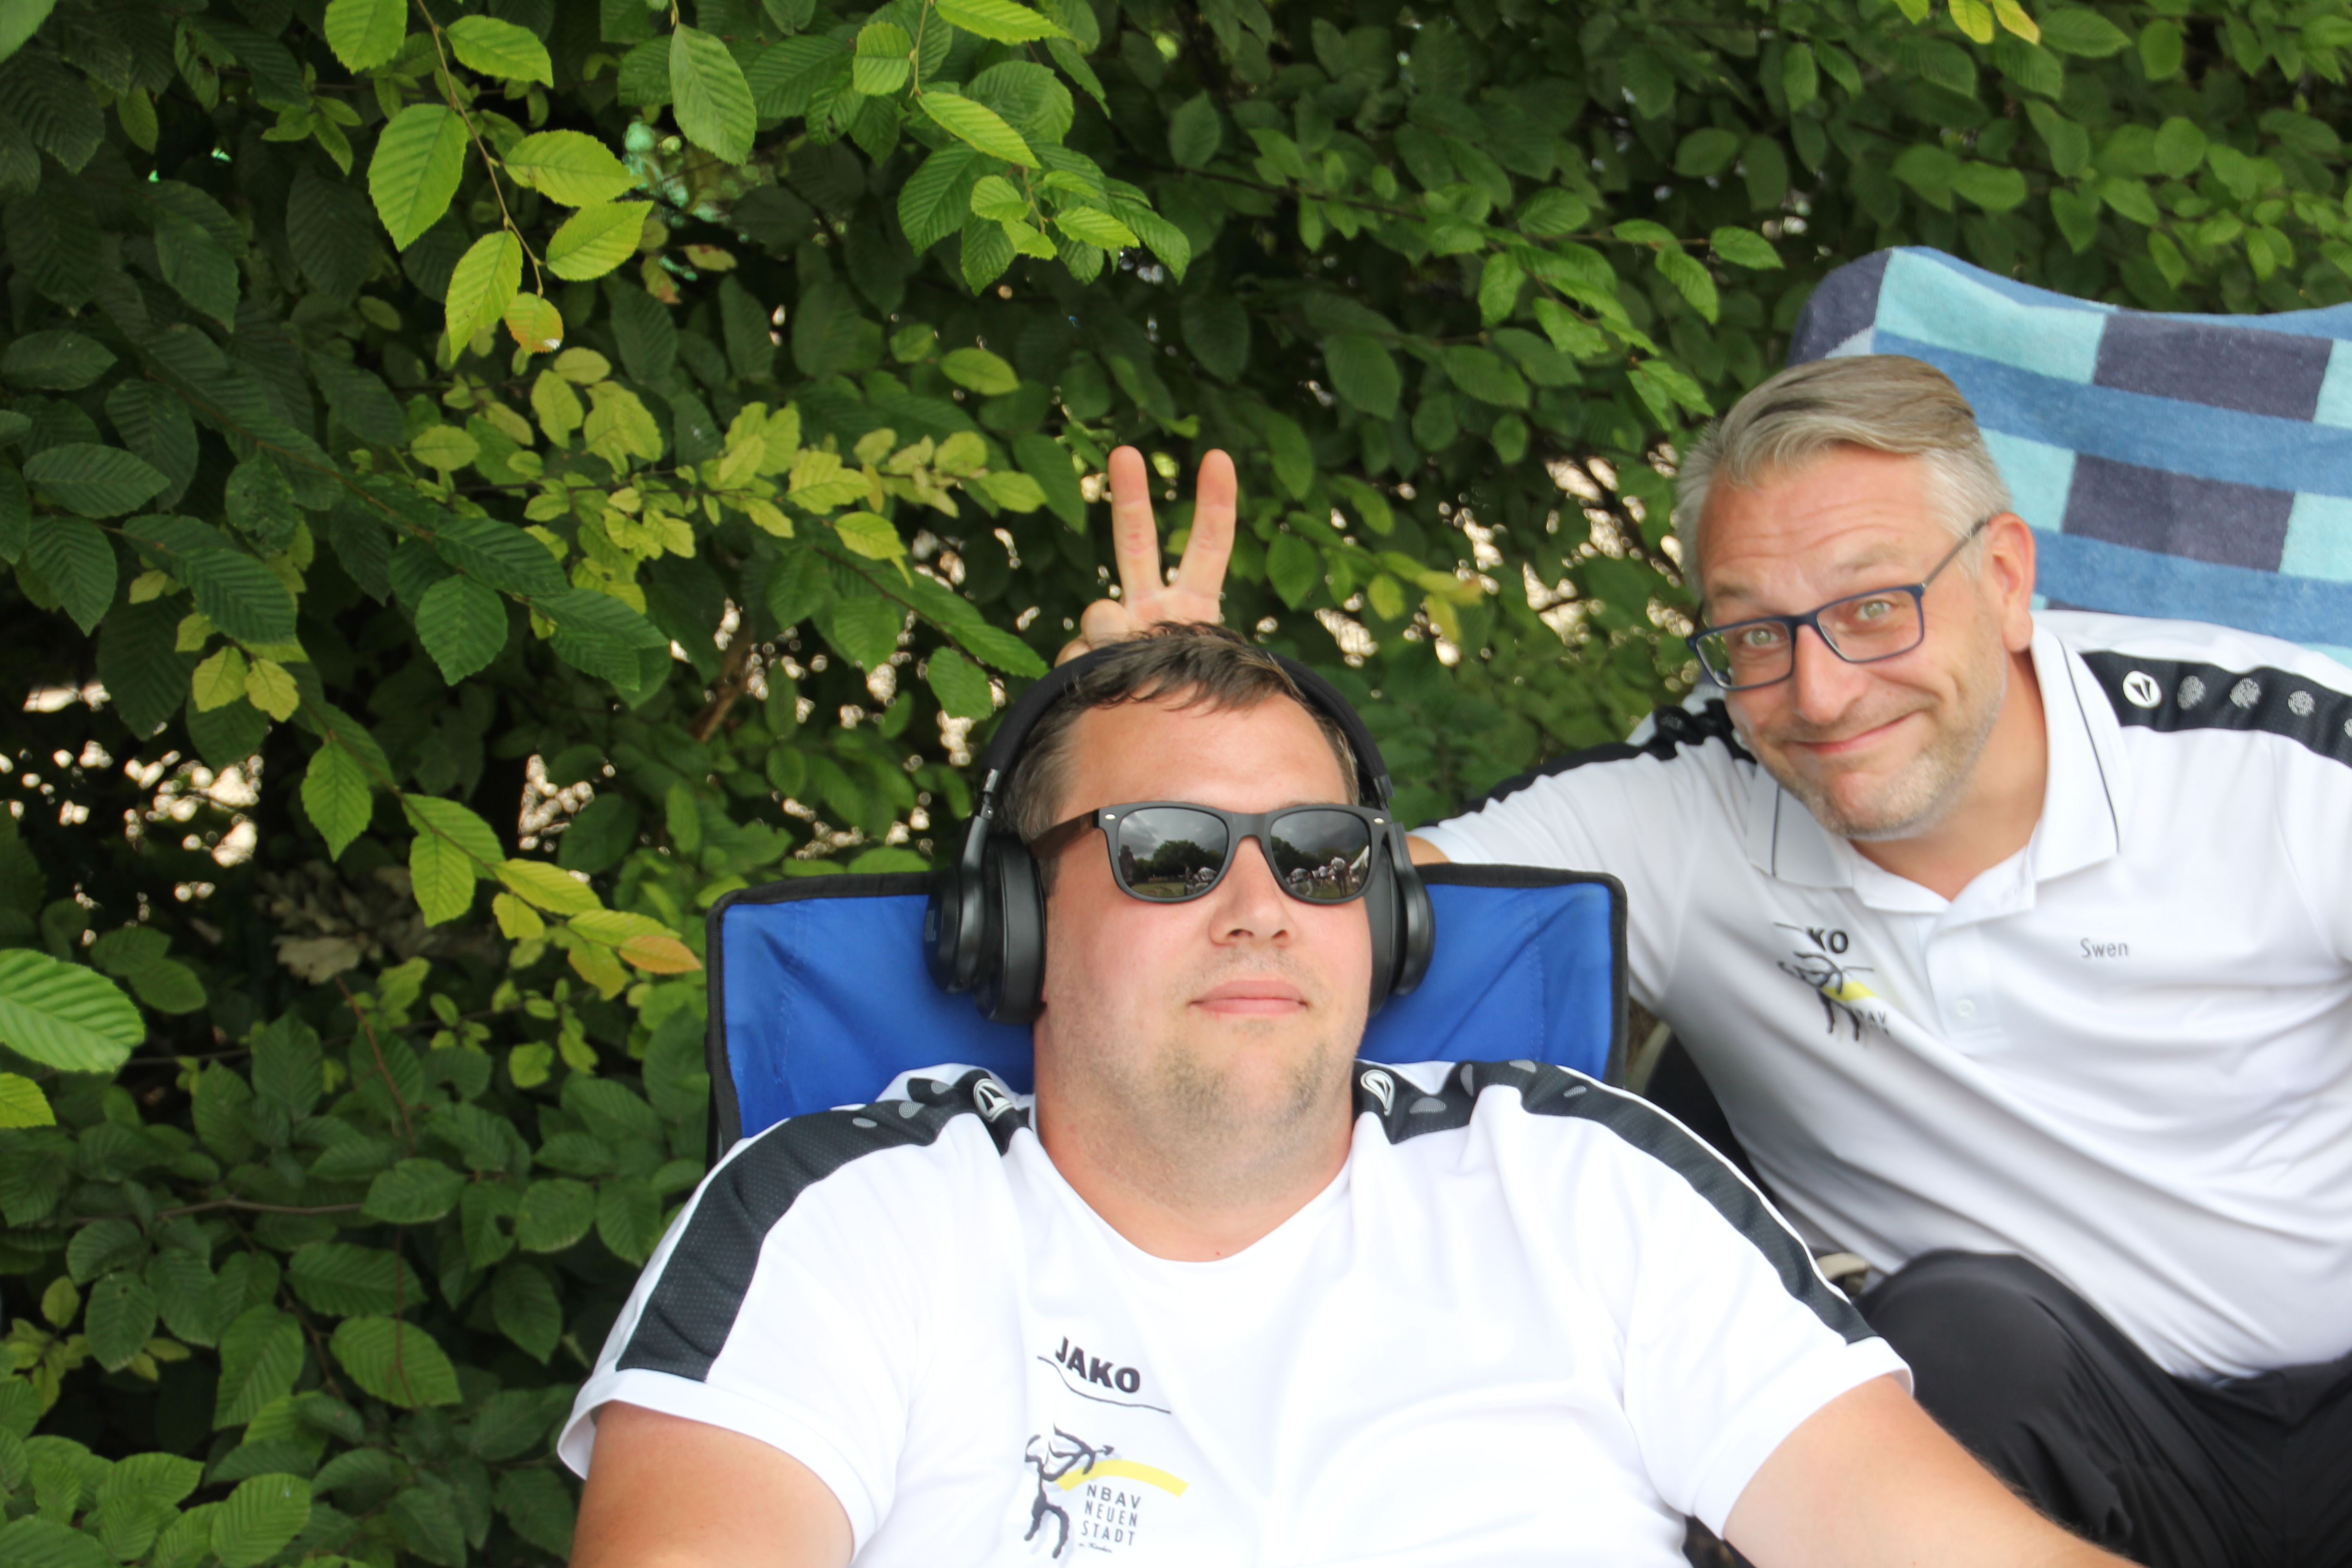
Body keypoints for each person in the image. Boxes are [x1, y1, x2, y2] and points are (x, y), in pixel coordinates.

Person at [1061, 357, 2352, 1568]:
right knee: (1952, 1341)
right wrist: (1159, 750)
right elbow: (1303, 910)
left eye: (1874, 609)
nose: (1821, 693)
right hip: (2016, 1435)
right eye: (1755, 635)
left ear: (2006, 577)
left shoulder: (2283, 760)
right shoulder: (1681, 805)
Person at [560, 625, 2125, 1568]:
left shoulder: (1580, 1181)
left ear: (1382, 916)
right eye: (1170, 853)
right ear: (1015, 926)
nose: (1259, 908)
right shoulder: (852, 1219)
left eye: (1320, 856)